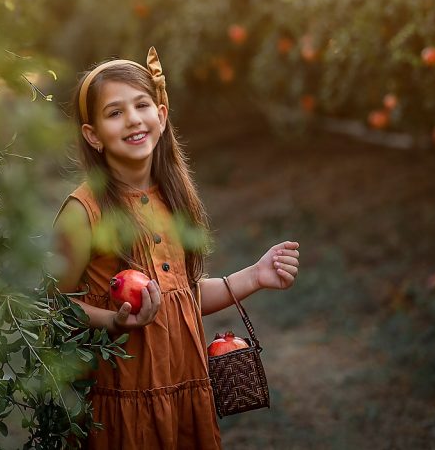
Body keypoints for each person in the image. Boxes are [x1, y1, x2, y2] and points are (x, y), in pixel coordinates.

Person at [53, 47, 301, 449]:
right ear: (93, 135)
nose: (133, 119)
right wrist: (114, 322)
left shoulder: (174, 200)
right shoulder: (84, 213)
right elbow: (53, 304)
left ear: (161, 116)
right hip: (124, 402)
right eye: (115, 112)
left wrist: (255, 276)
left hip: (185, 389)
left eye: (141, 105)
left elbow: (180, 297)